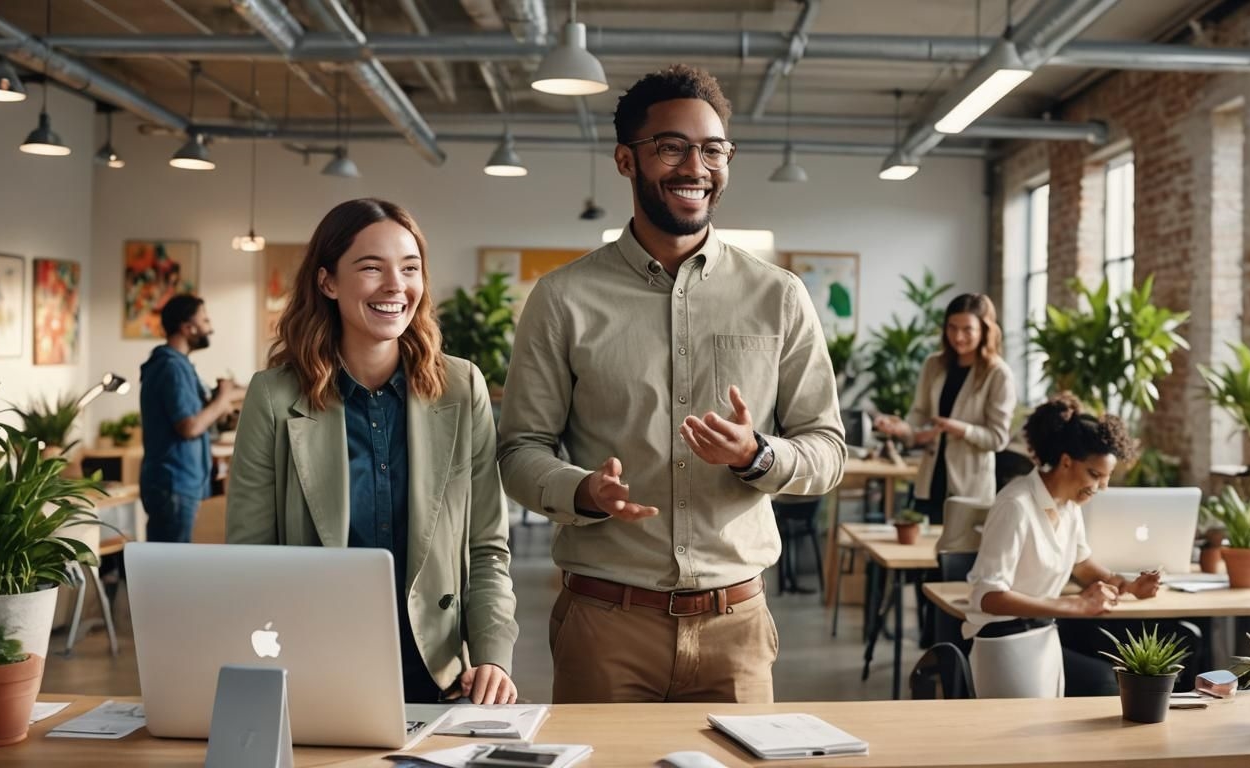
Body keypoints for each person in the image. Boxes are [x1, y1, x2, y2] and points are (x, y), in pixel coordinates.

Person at [497, 64, 846, 705]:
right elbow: (519, 450)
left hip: (735, 627)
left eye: (714, 149)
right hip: (604, 624)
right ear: (627, 161)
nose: (697, 165)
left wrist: (758, 455)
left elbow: (826, 448)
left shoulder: (779, 296)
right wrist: (584, 492)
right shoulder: (563, 298)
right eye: (672, 147)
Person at [226, 198, 518, 705]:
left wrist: (492, 654)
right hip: (315, 669)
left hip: (439, 675)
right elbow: (251, 560)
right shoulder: (274, 397)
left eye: (410, 268)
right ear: (327, 282)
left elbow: (486, 545)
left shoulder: (460, 386)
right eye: (370, 268)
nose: (395, 286)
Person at [964, 393, 1161, 698]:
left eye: (1106, 478)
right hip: (1005, 644)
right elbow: (987, 596)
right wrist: (1074, 605)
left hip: (1043, 637)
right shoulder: (1015, 506)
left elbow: (1081, 564)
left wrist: (1127, 586)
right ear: (1066, 461)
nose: (1101, 487)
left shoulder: (1068, 506)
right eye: (1095, 475)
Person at [874, 293, 1015, 523]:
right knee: (922, 554)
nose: (958, 337)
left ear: (984, 330)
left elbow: (998, 438)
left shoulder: (998, 374)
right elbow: (919, 414)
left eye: (968, 329)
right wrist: (901, 428)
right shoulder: (934, 364)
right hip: (930, 480)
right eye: (952, 328)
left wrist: (958, 428)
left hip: (969, 487)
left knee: (955, 556)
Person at [139, 294, 243, 543]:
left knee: (176, 566)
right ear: (188, 328)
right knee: (171, 570)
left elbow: (205, 412)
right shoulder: (170, 367)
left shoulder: (181, 366)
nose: (211, 327)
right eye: (205, 320)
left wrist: (225, 402)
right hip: (174, 484)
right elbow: (190, 425)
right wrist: (222, 400)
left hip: (184, 483)